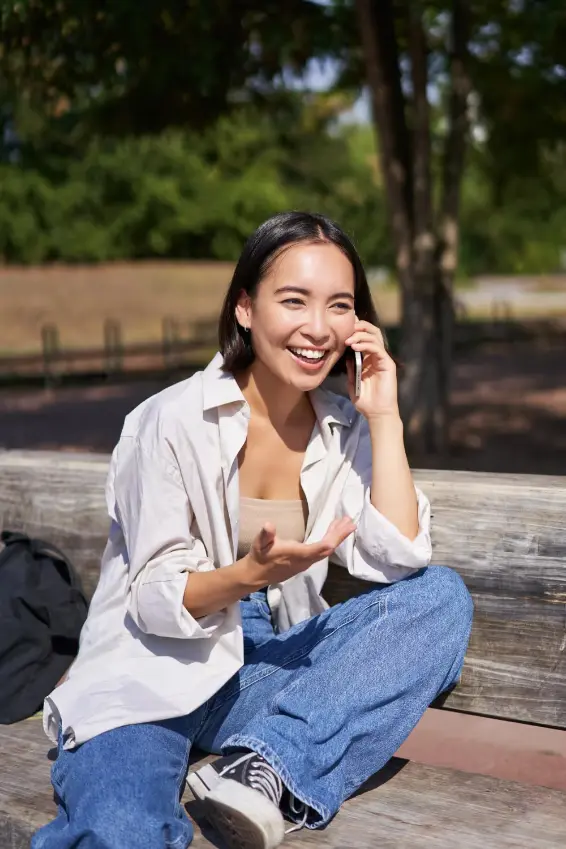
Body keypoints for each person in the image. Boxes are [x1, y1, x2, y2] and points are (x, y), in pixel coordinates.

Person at [32, 211, 473, 849]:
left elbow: (399, 560)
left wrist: (384, 416)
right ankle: (259, 761)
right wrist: (248, 576)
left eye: (340, 307)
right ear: (246, 308)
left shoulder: (345, 427)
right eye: (293, 300)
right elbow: (154, 600)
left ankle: (263, 768)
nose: (318, 329)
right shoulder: (169, 421)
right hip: (147, 672)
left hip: (258, 673)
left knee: (440, 598)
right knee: (119, 829)